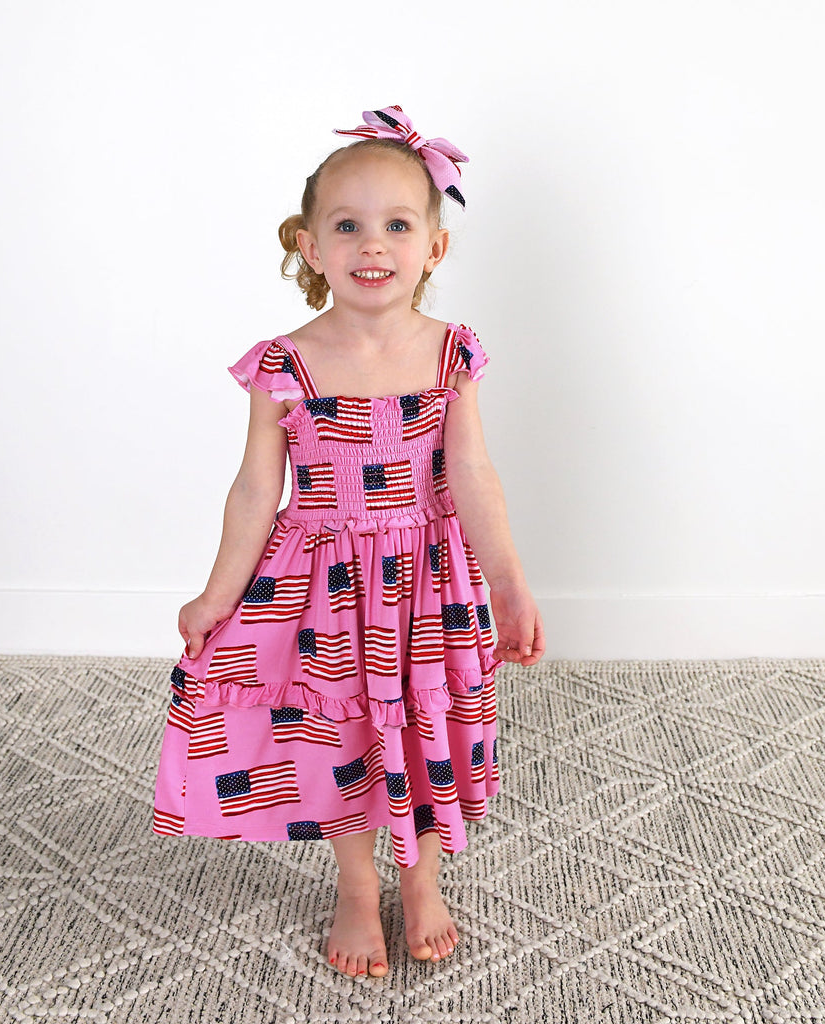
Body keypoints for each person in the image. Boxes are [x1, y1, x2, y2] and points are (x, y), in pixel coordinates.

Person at [152, 105, 544, 979]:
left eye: (398, 225)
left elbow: (472, 475)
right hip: (322, 589)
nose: (373, 245)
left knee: (424, 729)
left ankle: (422, 879)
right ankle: (358, 886)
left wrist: (511, 584)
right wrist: (217, 594)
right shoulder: (282, 363)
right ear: (309, 245)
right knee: (339, 738)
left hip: (427, 585)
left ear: (434, 248)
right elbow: (257, 490)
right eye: (347, 226)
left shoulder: (451, 354)